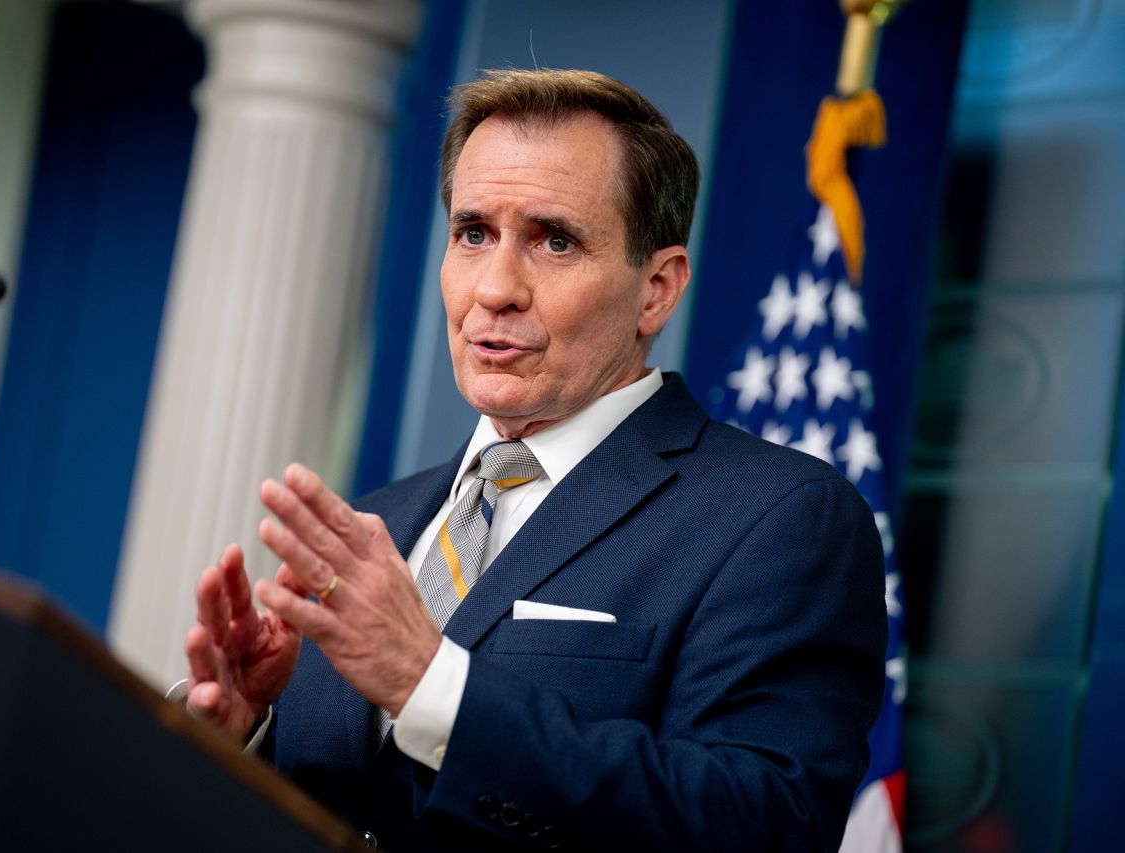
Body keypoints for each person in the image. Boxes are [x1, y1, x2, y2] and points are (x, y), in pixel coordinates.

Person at [182, 69, 887, 851]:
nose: (495, 288)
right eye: (473, 232)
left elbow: (762, 825)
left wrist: (433, 684)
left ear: (656, 289)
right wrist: (246, 741)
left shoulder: (779, 518)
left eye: (555, 241)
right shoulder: (375, 523)